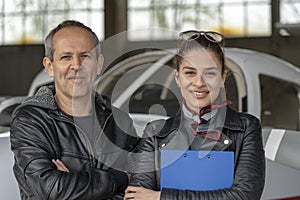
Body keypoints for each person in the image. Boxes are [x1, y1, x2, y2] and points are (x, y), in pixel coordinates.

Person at [124, 30, 265, 200]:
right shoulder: (154, 132)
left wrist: (161, 197)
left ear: (222, 78)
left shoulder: (246, 128)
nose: (199, 83)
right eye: (190, 72)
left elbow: (245, 195)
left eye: (210, 73)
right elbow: (137, 196)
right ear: (177, 77)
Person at [10, 20, 139, 200]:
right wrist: (120, 178)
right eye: (66, 57)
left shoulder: (120, 121)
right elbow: (52, 189)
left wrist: (72, 184)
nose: (77, 65)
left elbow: (138, 190)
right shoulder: (31, 120)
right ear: (49, 66)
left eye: (85, 56)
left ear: (99, 64)